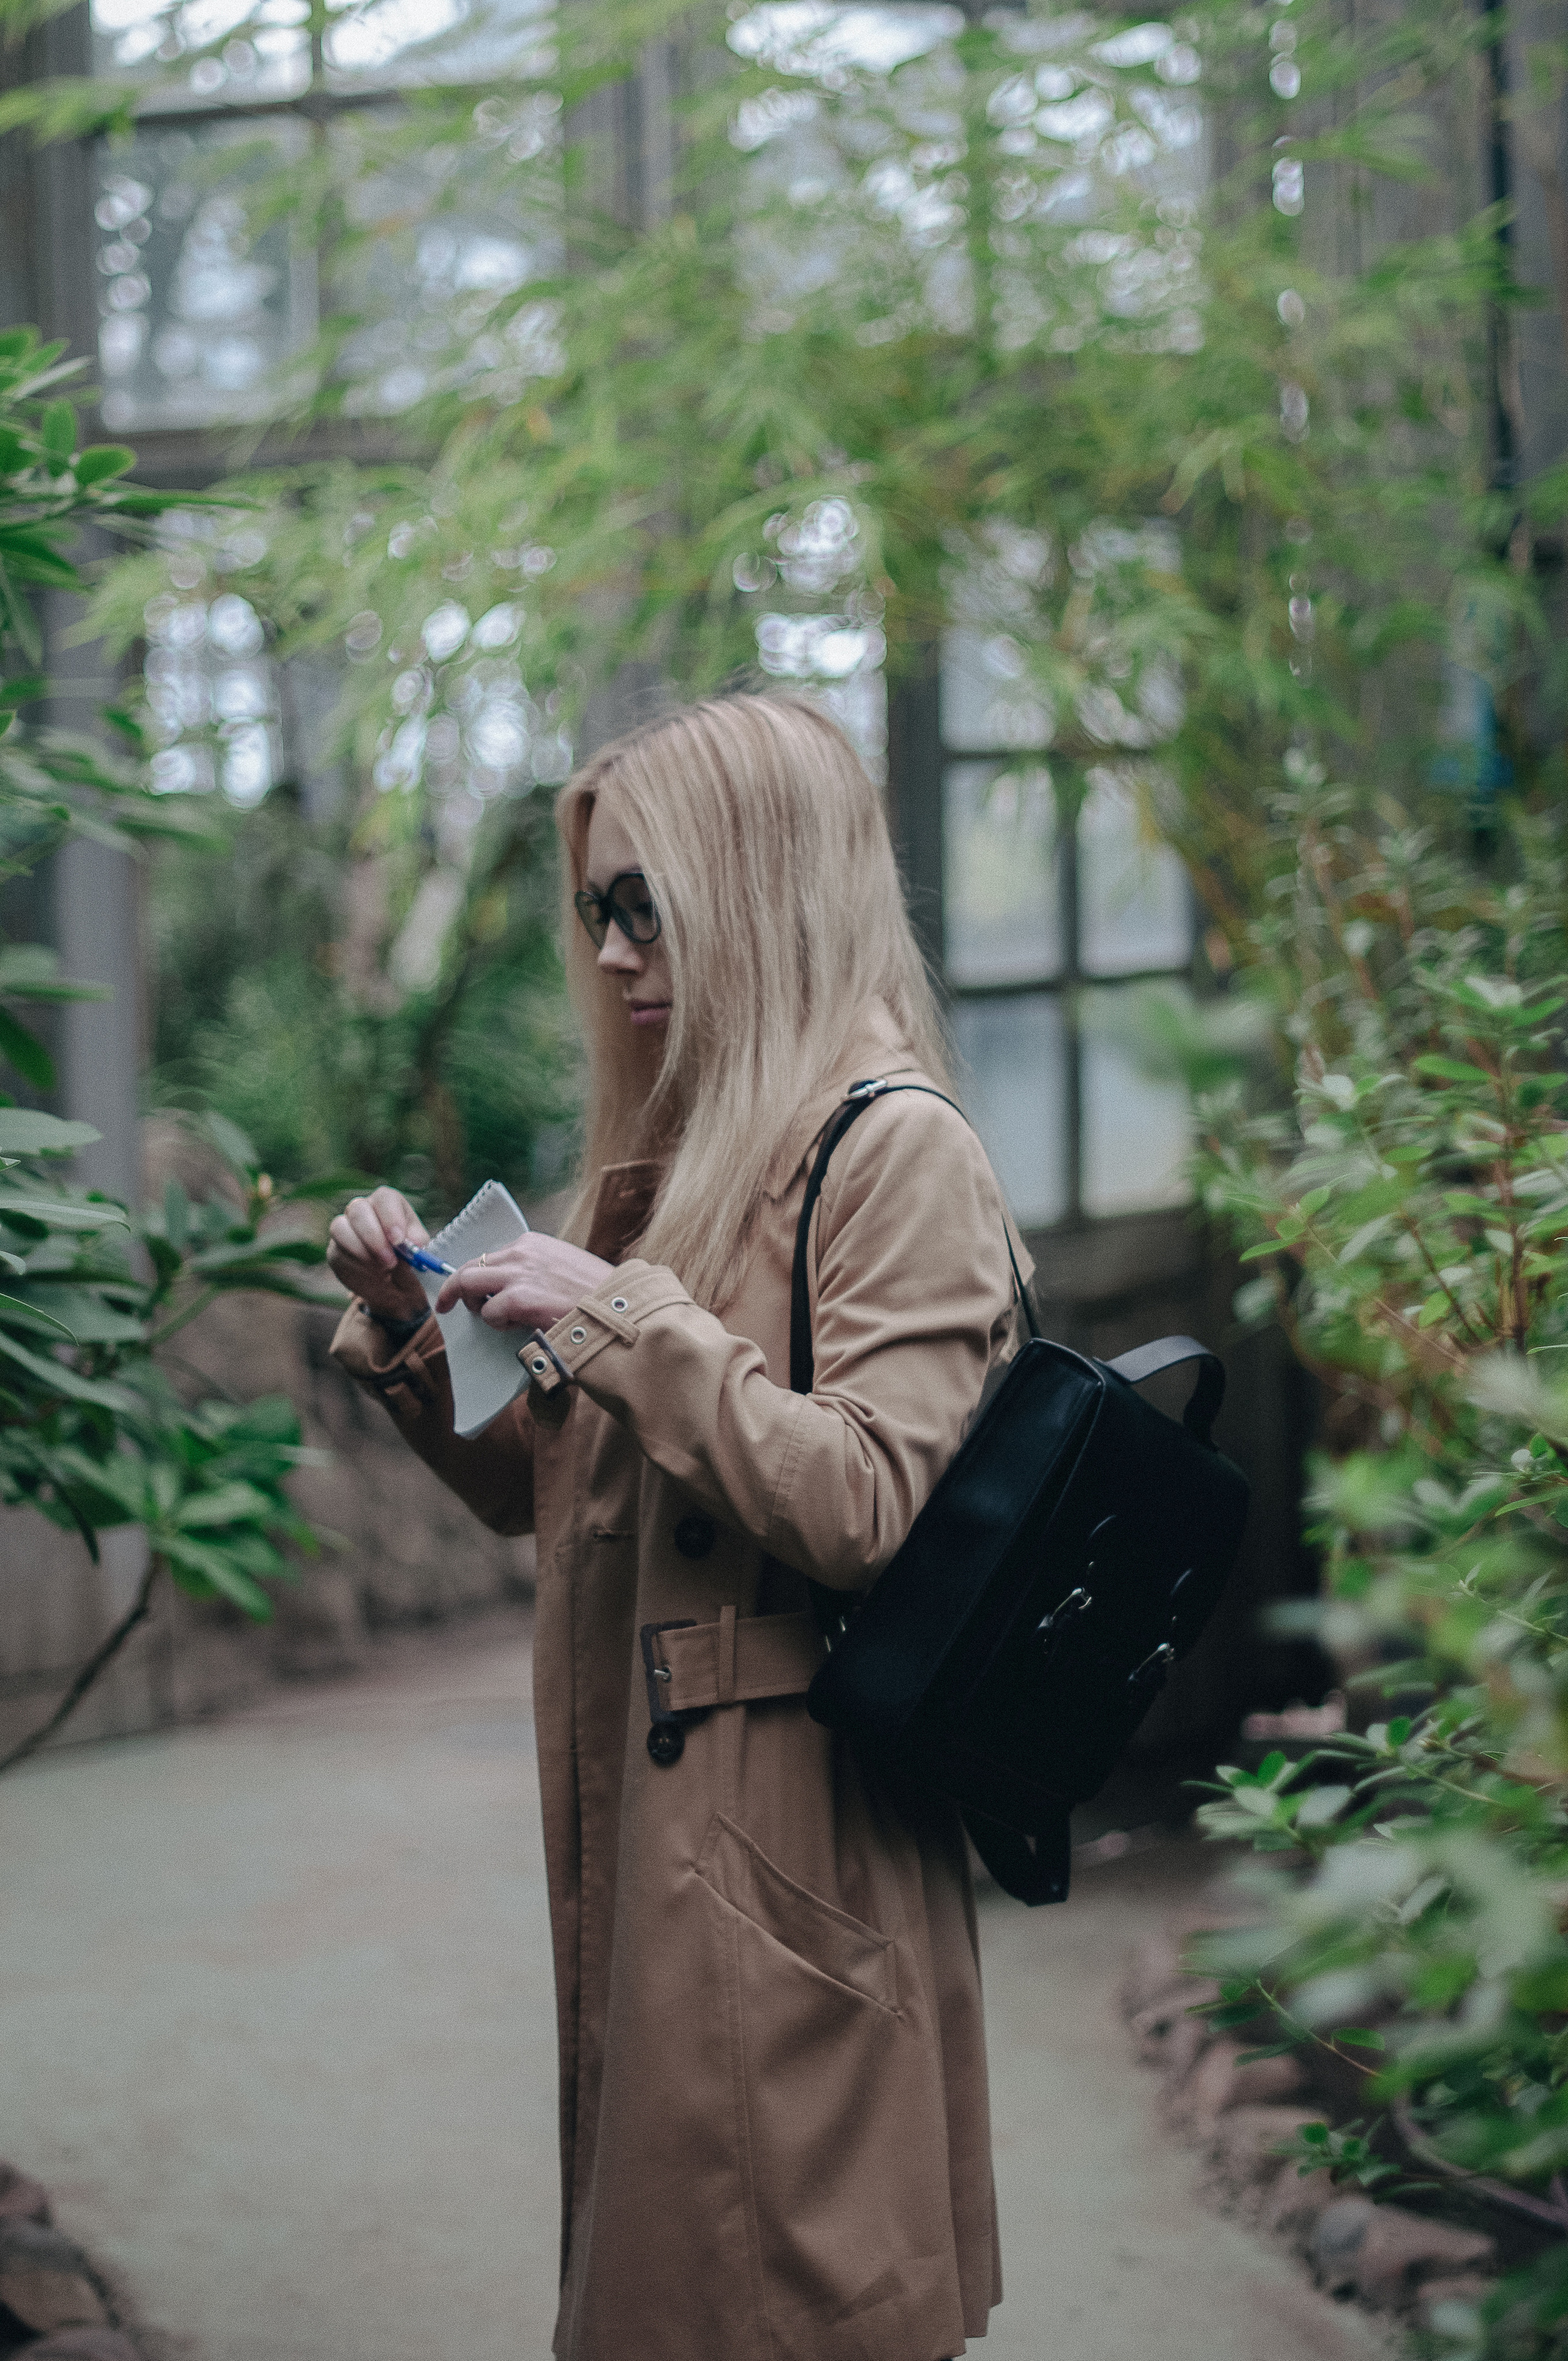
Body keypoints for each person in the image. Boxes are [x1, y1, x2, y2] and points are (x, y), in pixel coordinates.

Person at [326, 693, 1028, 2361]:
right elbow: (543, 1498)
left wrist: (622, 1313)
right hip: (663, 1824)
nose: (617, 949)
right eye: (597, 908)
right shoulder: (678, 1147)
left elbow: (867, 1498)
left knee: (784, 2300)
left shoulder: (894, 1147)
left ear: (762, 887)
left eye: (650, 903)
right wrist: (415, 1330)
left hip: (791, 1839)